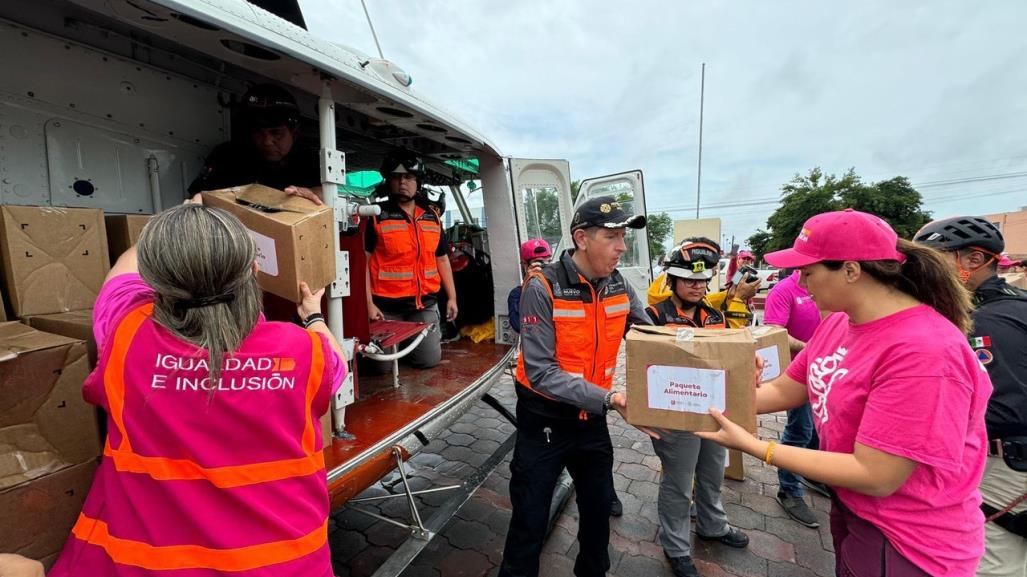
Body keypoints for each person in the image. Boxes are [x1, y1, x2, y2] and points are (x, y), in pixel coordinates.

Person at [48, 200, 346, 576]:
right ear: (254, 270)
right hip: (287, 565)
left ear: (156, 281)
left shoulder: (128, 337)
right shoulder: (303, 352)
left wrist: (178, 221)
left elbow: (120, 278)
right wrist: (314, 315)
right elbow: (337, 363)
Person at [697, 209, 991, 577]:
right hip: (856, 509)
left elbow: (876, 474)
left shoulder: (924, 352)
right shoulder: (839, 321)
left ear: (851, 270)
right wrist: (704, 399)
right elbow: (790, 387)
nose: (800, 284)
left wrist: (757, 447)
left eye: (808, 272)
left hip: (908, 540)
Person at [500, 196, 654, 577]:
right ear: (581, 238)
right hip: (545, 422)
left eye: (623, 237)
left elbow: (655, 333)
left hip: (592, 421)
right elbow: (541, 372)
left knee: (599, 514)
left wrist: (720, 353)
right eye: (612, 236)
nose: (621, 247)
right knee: (530, 521)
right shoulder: (543, 285)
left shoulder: (619, 282)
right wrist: (612, 398)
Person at [914, 216, 1027, 577]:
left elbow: (1000, 406)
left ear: (973, 261)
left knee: (991, 562)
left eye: (933, 258)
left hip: (1003, 463)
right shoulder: (1012, 304)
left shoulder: (988, 321)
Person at [645, 238, 749, 577]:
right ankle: (676, 548)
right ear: (672, 281)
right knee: (677, 483)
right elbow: (643, 365)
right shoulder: (653, 316)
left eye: (703, 280)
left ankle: (713, 526)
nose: (697, 285)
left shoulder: (714, 315)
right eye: (689, 279)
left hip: (713, 413)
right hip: (674, 416)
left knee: (712, 473)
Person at [364, 150, 456, 371]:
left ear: (418, 182)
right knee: (380, 369)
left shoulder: (431, 217)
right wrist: (368, 304)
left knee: (427, 361)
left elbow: (442, 259)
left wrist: (452, 297)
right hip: (385, 308)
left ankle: (406, 342)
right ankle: (395, 343)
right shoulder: (375, 216)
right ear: (389, 182)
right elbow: (362, 265)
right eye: (396, 177)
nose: (402, 182)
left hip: (423, 305)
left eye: (408, 177)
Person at [763, 267, 827, 528]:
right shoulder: (783, 290)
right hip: (796, 374)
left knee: (818, 429)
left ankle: (811, 473)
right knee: (799, 429)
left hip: (824, 369)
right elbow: (774, 333)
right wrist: (812, 348)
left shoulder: (827, 289)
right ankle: (789, 489)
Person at [188, 83, 322, 205]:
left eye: (276, 133)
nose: (267, 141)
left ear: (294, 132)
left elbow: (334, 193)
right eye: (259, 132)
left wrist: (315, 192)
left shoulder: (311, 163)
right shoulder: (228, 155)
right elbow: (199, 194)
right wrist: (198, 200)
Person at [508, 239, 553, 333]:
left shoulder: (558, 286)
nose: (546, 266)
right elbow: (518, 326)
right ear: (525, 265)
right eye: (540, 262)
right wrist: (527, 286)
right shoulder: (517, 294)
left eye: (549, 261)